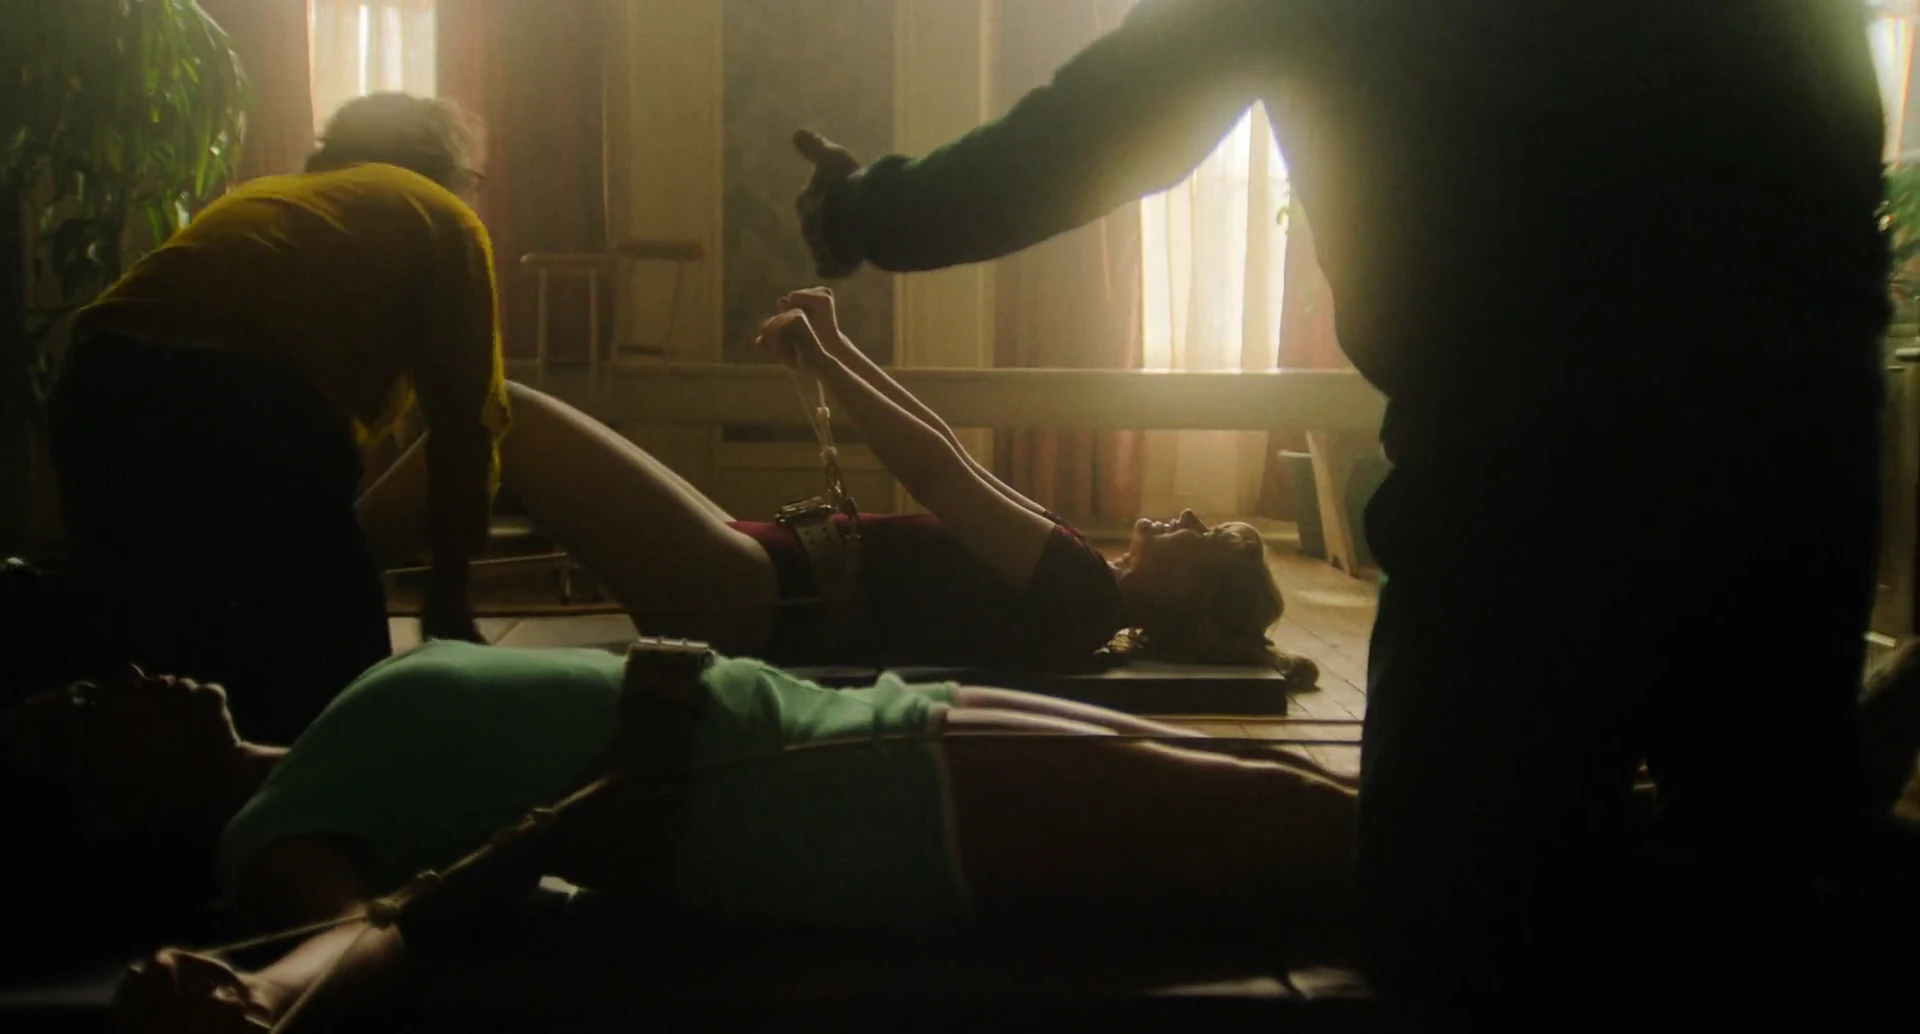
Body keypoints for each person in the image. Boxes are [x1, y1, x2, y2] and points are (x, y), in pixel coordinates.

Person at [783, 1, 1898, 1020]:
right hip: (1796, 423)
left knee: (1453, 923)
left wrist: (868, 210)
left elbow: (1095, 131)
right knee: (1763, 873)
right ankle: (1829, 823)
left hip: (1528, 462)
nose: (1180, 519)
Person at [0, 646, 1360, 1033]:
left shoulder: (317, 731)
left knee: (1285, 784)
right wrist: (258, 998)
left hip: (852, 717)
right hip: (842, 809)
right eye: (86, 716)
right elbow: (365, 927)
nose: (122, 678)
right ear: (106, 809)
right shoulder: (271, 831)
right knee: (1311, 827)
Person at [357, 288, 1313, 679]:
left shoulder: (1081, 594)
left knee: (511, 417)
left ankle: (323, 562)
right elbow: (953, 453)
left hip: (751, 589)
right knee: (510, 428)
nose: (1194, 514)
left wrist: (825, 355)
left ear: (1194, 610)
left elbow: (933, 470)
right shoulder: (1080, 581)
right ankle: (333, 559)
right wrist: (838, 347)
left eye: (1212, 541)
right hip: (757, 569)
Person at [47, 93, 511, 744]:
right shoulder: (443, 216)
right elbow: (466, 422)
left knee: (149, 640)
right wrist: (449, 594)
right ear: (450, 168)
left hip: (98, 376)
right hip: (249, 398)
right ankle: (321, 786)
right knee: (329, 659)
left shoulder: (271, 197)